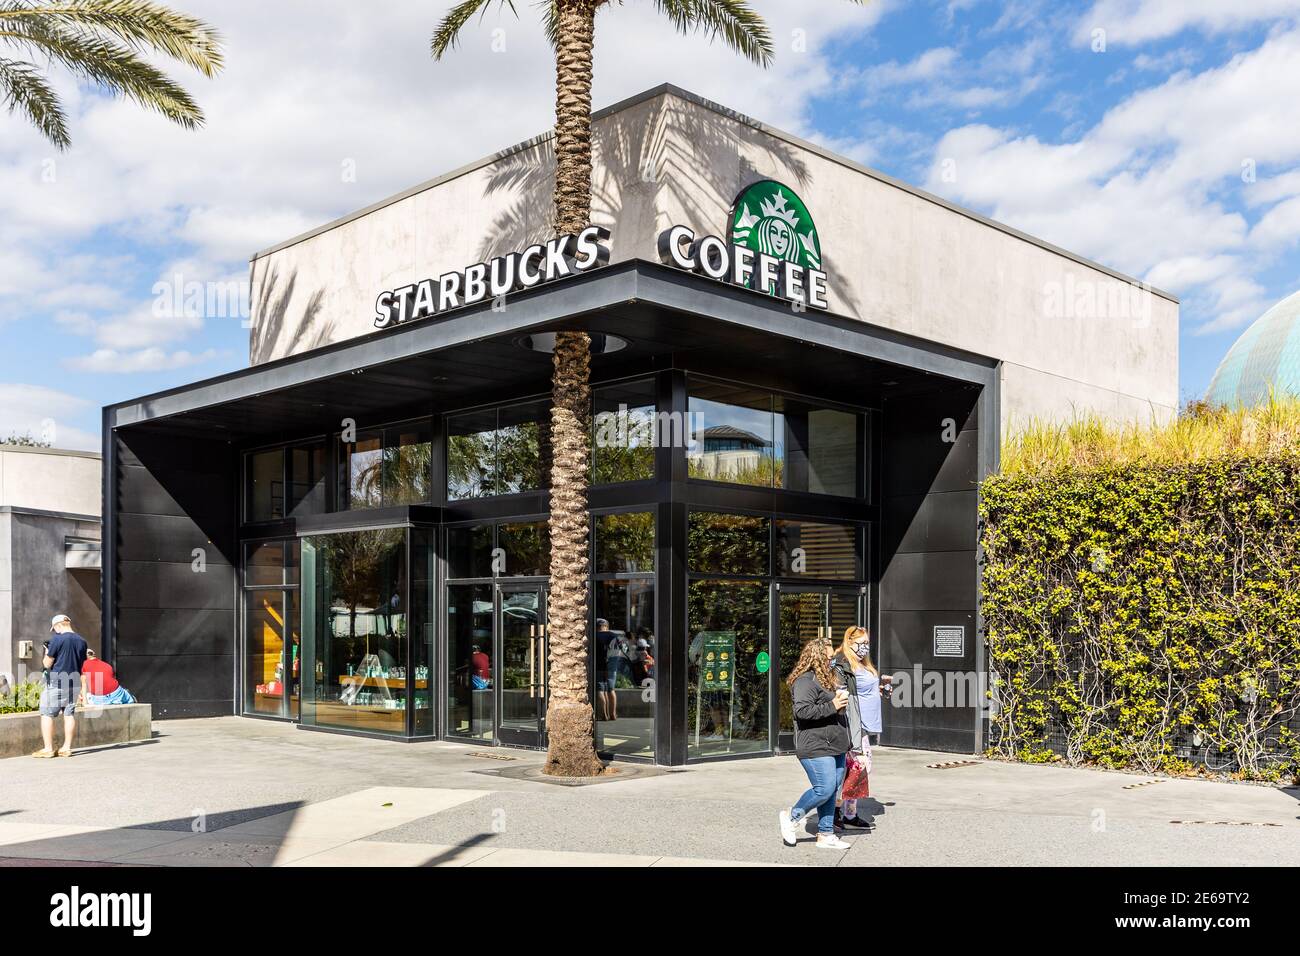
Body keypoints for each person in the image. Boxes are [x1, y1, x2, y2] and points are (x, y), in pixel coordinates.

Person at [779, 637, 852, 850]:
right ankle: (791, 817)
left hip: (835, 743)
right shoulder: (805, 681)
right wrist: (833, 704)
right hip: (814, 744)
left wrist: (838, 704)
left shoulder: (826, 680)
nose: (832, 662)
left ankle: (826, 834)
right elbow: (802, 712)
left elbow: (828, 708)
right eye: (829, 658)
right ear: (818, 657)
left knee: (832, 790)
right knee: (824, 788)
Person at [833, 625, 888, 830]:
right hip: (854, 725)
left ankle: (849, 813)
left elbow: (865, 690)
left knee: (858, 768)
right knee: (856, 768)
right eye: (861, 643)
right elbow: (840, 692)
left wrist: (880, 690)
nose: (865, 647)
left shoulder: (863, 664)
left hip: (865, 725)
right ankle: (838, 812)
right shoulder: (844, 664)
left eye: (867, 643)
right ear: (850, 642)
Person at [33, 614, 88, 758]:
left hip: (57, 681)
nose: (54, 632)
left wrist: (47, 651)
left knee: (46, 714)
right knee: (69, 714)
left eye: (54, 629)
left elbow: (47, 664)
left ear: (58, 625)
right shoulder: (82, 641)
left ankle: (48, 749)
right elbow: (81, 664)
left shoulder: (57, 639)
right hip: (74, 682)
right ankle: (66, 748)